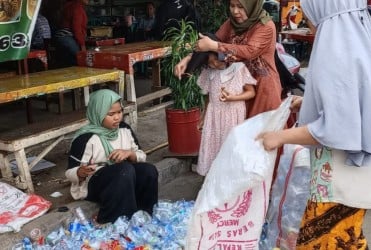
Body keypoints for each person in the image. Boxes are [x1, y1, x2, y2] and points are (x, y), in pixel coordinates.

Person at [257, 0, 371, 248]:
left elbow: (336, 129)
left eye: (307, 14)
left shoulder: (335, 48)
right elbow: (359, 101)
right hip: (362, 175)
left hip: (340, 180)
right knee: (349, 239)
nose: (307, 22)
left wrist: (279, 137)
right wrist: (311, 103)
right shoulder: (359, 38)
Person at [174, 0, 282, 118]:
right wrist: (189, 58)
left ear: (252, 5)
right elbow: (214, 40)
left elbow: (249, 51)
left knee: (263, 133)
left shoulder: (265, 26)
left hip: (262, 89)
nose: (235, 11)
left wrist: (214, 46)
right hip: (236, 89)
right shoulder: (231, 23)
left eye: (241, 7)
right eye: (232, 6)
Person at [66, 89, 158, 224]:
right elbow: (69, 172)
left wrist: (130, 153)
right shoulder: (85, 138)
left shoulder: (124, 129)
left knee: (148, 170)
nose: (117, 117)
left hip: (125, 178)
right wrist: (80, 172)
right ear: (98, 113)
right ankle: (114, 221)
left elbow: (141, 155)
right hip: (96, 183)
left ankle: (145, 215)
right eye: (111, 114)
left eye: (120, 112)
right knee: (124, 170)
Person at [194, 51, 256, 176]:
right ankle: (213, 179)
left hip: (233, 117)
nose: (215, 64)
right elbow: (208, 97)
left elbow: (251, 92)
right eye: (210, 63)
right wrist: (203, 117)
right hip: (214, 117)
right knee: (214, 147)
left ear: (221, 55)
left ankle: (231, 180)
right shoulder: (208, 72)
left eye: (215, 60)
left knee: (231, 147)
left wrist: (233, 98)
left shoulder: (239, 68)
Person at [54, 0, 88, 66]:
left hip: (60, 37)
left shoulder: (69, 5)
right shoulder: (77, 7)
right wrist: (82, 44)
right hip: (66, 37)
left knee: (68, 62)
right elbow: (76, 28)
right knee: (81, 59)